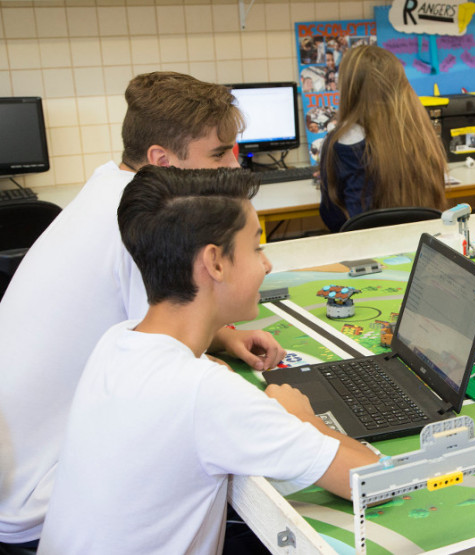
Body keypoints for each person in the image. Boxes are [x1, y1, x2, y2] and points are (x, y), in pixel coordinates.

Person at [0, 71, 286, 549]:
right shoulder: (142, 229)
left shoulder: (110, 188)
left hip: (23, 464)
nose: (233, 162)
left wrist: (222, 335)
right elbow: (171, 376)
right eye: (218, 153)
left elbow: (153, 316)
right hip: (40, 499)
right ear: (161, 160)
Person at [37, 166, 378, 554]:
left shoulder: (117, 340)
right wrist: (301, 418)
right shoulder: (205, 393)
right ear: (215, 262)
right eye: (256, 248)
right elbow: (371, 478)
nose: (266, 265)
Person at [318, 45, 448, 232]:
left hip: (364, 252)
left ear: (349, 89)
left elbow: (333, 217)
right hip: (419, 247)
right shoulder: (420, 133)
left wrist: (330, 172)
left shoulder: (339, 142)